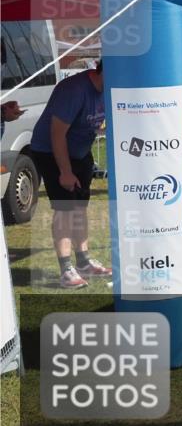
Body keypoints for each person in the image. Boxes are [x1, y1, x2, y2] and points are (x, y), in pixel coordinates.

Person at [30, 62, 111, 289]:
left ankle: (83, 261)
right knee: (65, 208)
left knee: (79, 208)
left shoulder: (107, 88)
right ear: (105, 69)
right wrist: (65, 172)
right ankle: (66, 269)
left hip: (79, 153)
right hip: (50, 151)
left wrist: (102, 131)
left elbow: (88, 123)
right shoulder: (74, 89)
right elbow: (57, 134)